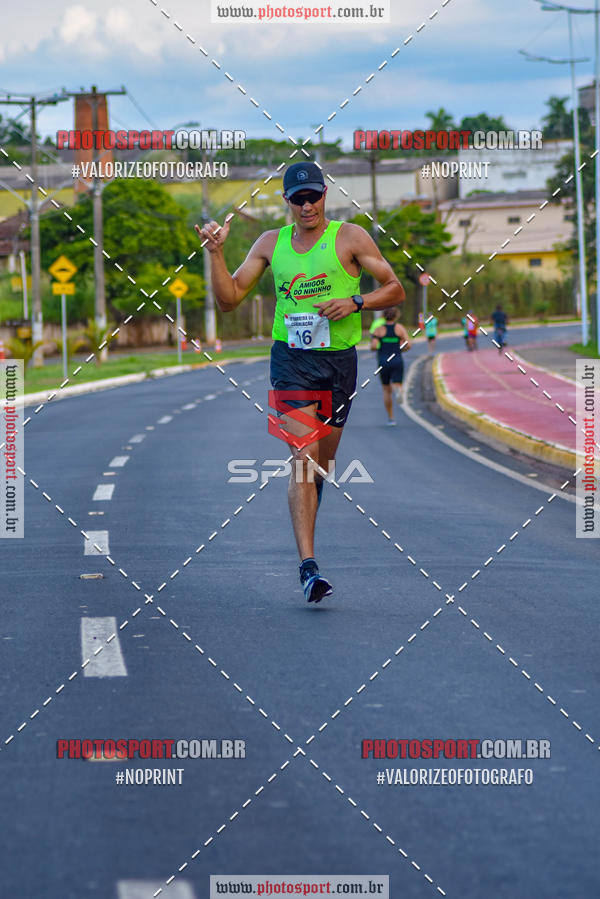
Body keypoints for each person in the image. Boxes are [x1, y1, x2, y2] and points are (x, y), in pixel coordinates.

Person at [195, 161, 405, 603]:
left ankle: (306, 518)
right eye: (298, 198)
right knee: (303, 457)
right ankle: (309, 567)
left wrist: (355, 301)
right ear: (287, 201)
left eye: (314, 196)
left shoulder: (349, 238)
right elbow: (229, 299)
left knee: (322, 466)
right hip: (289, 360)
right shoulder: (270, 243)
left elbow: (394, 288)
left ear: (325, 194)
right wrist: (214, 253)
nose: (307, 205)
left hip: (339, 363)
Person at [370, 308, 411, 425]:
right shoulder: (399, 328)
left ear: (383, 316)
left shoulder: (378, 330)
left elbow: (373, 346)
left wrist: (380, 346)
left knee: (386, 390)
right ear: (396, 316)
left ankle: (391, 418)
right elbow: (408, 344)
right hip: (397, 360)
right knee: (397, 383)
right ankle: (398, 390)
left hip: (383, 361)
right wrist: (399, 349)